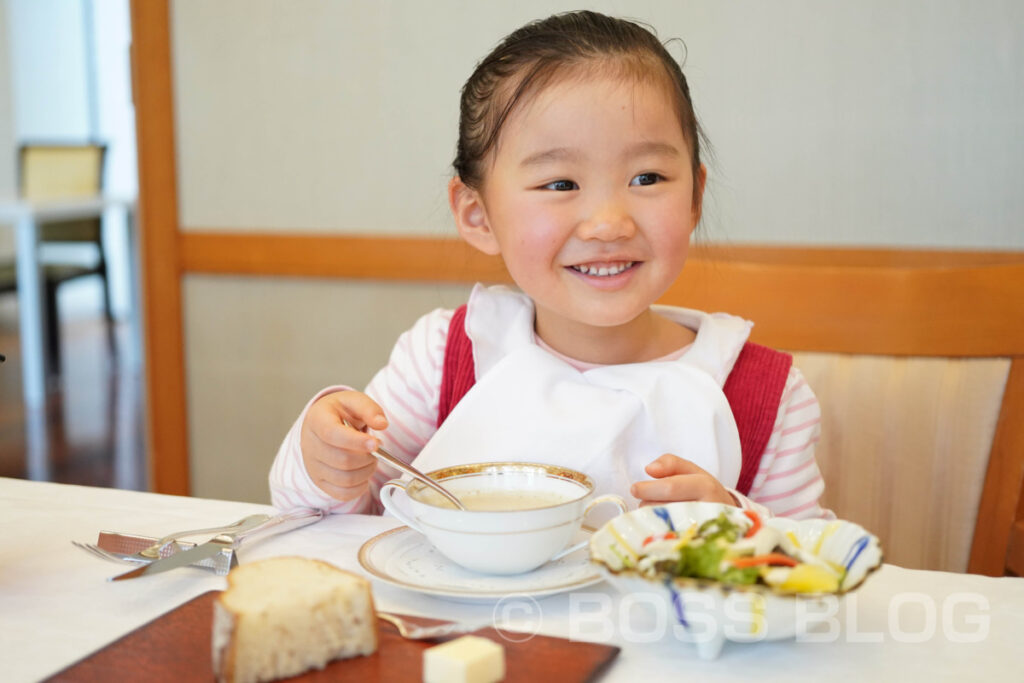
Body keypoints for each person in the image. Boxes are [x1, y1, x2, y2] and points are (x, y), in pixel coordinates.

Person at [271, 10, 832, 521]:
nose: (609, 222)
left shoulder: (764, 394)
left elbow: (818, 570)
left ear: (694, 197)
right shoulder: (443, 359)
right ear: (478, 215)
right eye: (560, 183)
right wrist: (326, 461)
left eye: (647, 178)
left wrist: (736, 520)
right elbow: (335, 522)